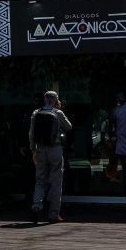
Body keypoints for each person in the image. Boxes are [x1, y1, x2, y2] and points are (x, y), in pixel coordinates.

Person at [29, 90, 72, 224]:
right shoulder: (58, 113)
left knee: (40, 180)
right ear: (56, 100)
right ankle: (53, 214)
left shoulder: (36, 113)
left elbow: (31, 133)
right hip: (55, 149)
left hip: (41, 149)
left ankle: (37, 205)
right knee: (56, 181)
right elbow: (69, 127)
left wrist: (33, 150)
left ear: (44, 99)